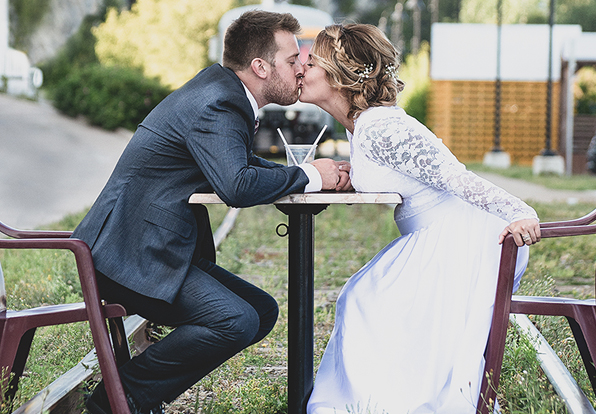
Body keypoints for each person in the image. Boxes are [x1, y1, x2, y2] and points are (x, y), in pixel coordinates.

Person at [78, 10, 350, 414]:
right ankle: (116, 401)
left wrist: (310, 176)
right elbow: (236, 184)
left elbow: (243, 164)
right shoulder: (218, 103)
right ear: (260, 67)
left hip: (145, 248)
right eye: (293, 59)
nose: (301, 68)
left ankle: (135, 397)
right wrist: (311, 175)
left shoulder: (222, 92)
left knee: (261, 311)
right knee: (235, 320)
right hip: (126, 256)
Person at [299, 23, 540, 414]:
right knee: (362, 296)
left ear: (338, 75)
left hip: (461, 236)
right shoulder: (363, 126)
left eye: (310, 63)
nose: (300, 69)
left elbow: (454, 176)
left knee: (366, 299)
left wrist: (519, 211)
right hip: (432, 232)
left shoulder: (381, 127)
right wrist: (349, 175)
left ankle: (379, 404)